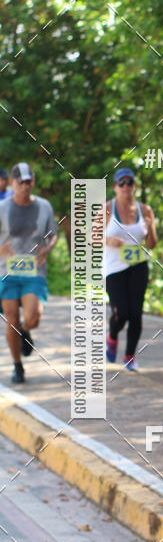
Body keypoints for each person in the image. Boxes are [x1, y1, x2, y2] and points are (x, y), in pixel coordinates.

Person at [0, 163, 58, 384]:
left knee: (33, 317)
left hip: (34, 271)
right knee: (11, 319)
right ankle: (17, 366)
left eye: (28, 181)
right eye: (20, 182)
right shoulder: (2, 208)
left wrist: (48, 248)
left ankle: (26, 331)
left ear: (33, 182)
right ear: (13, 183)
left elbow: (53, 233)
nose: (25, 186)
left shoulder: (44, 206)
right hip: (7, 271)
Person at [104, 167, 157, 371]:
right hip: (114, 268)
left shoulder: (145, 210)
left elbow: (152, 244)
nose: (126, 187)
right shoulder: (107, 208)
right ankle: (113, 334)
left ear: (134, 186)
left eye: (130, 183)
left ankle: (129, 356)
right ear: (115, 187)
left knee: (136, 313)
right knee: (122, 312)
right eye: (121, 183)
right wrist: (108, 240)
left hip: (138, 266)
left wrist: (151, 228)